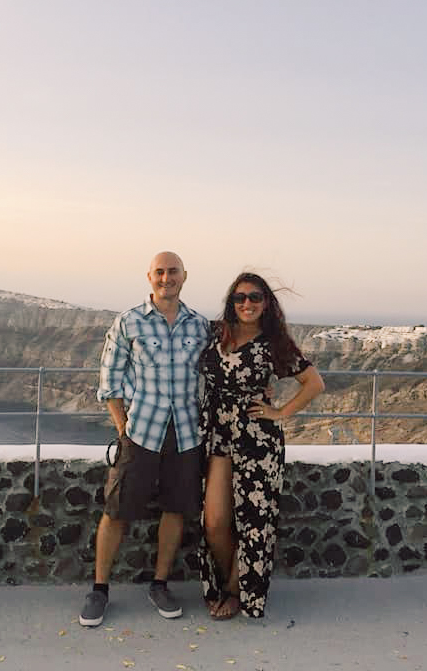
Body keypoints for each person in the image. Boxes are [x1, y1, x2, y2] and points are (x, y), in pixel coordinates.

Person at [79, 251, 210, 627]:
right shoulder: (129, 322)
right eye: (160, 272)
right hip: (140, 433)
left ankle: (160, 583)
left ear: (185, 276)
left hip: (186, 433)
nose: (166, 278)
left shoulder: (199, 325)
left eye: (173, 272)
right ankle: (99, 590)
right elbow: (110, 380)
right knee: (116, 508)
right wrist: (123, 430)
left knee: (175, 509)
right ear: (149, 277)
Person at [199, 272, 325, 619]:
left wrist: (279, 411)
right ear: (231, 302)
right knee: (215, 521)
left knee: (253, 520)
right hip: (218, 434)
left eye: (255, 297)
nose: (247, 304)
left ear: (266, 302)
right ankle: (229, 581)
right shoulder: (216, 332)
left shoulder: (274, 344)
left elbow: (314, 383)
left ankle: (237, 592)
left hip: (257, 439)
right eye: (240, 298)